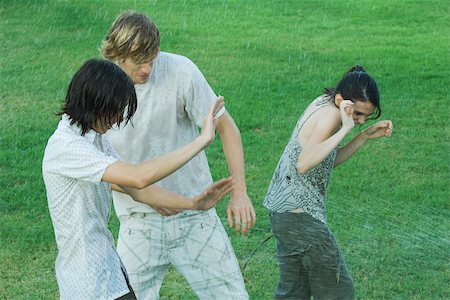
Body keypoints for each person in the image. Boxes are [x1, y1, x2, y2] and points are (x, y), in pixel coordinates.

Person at [42, 59, 233, 300]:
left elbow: (136, 188)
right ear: (95, 103)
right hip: (88, 284)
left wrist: (193, 204)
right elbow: (139, 177)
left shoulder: (93, 138)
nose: (117, 118)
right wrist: (201, 140)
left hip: (109, 273)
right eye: (115, 109)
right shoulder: (67, 148)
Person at [101, 10, 254, 299]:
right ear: (116, 54)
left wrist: (240, 191)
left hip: (195, 215)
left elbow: (227, 128)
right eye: (138, 62)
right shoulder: (99, 91)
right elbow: (96, 169)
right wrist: (149, 194)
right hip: (138, 221)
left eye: (151, 59)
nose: (147, 69)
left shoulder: (180, 71)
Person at [264, 65, 393, 299]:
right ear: (341, 100)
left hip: (281, 214)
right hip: (300, 218)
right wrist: (345, 128)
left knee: (293, 293)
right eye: (357, 114)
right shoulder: (332, 116)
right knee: (339, 292)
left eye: (365, 116)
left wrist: (363, 136)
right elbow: (303, 163)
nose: (361, 121)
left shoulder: (324, 102)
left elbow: (325, 159)